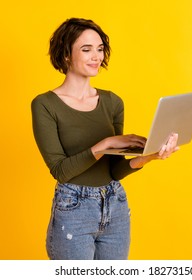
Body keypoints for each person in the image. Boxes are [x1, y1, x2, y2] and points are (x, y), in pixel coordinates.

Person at [31, 18, 179, 260]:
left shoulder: (112, 102)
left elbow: (114, 170)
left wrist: (151, 155)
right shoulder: (45, 105)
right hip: (73, 208)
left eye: (100, 49)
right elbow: (61, 171)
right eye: (86, 49)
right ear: (66, 55)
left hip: (115, 204)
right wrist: (107, 143)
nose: (96, 56)